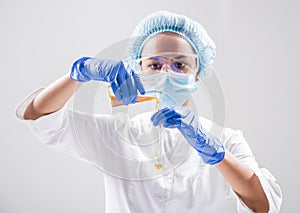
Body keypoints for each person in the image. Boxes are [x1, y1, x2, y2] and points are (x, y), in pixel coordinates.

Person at [16, 11, 282, 212]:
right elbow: (39, 117)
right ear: (137, 70)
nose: (166, 72)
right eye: (154, 65)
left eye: (180, 65)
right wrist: (80, 73)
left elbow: (264, 204)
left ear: (198, 75)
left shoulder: (226, 139)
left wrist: (214, 152)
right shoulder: (119, 134)